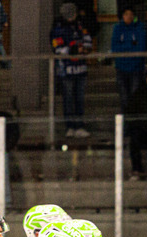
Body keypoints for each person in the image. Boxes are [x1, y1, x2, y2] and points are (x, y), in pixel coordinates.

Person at [51, 3, 93, 138]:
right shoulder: (58, 28)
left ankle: (79, 125)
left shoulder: (80, 25)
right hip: (66, 71)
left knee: (79, 99)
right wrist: (74, 50)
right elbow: (58, 48)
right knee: (68, 99)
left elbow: (87, 40)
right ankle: (70, 126)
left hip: (81, 69)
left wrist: (86, 48)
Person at [111, 6, 147, 113]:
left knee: (135, 96)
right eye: (126, 14)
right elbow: (115, 48)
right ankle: (126, 124)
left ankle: (135, 123)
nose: (129, 16)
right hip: (121, 68)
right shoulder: (117, 28)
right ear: (122, 16)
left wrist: (126, 49)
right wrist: (130, 48)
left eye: (131, 14)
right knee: (124, 97)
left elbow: (141, 48)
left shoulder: (140, 27)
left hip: (136, 68)